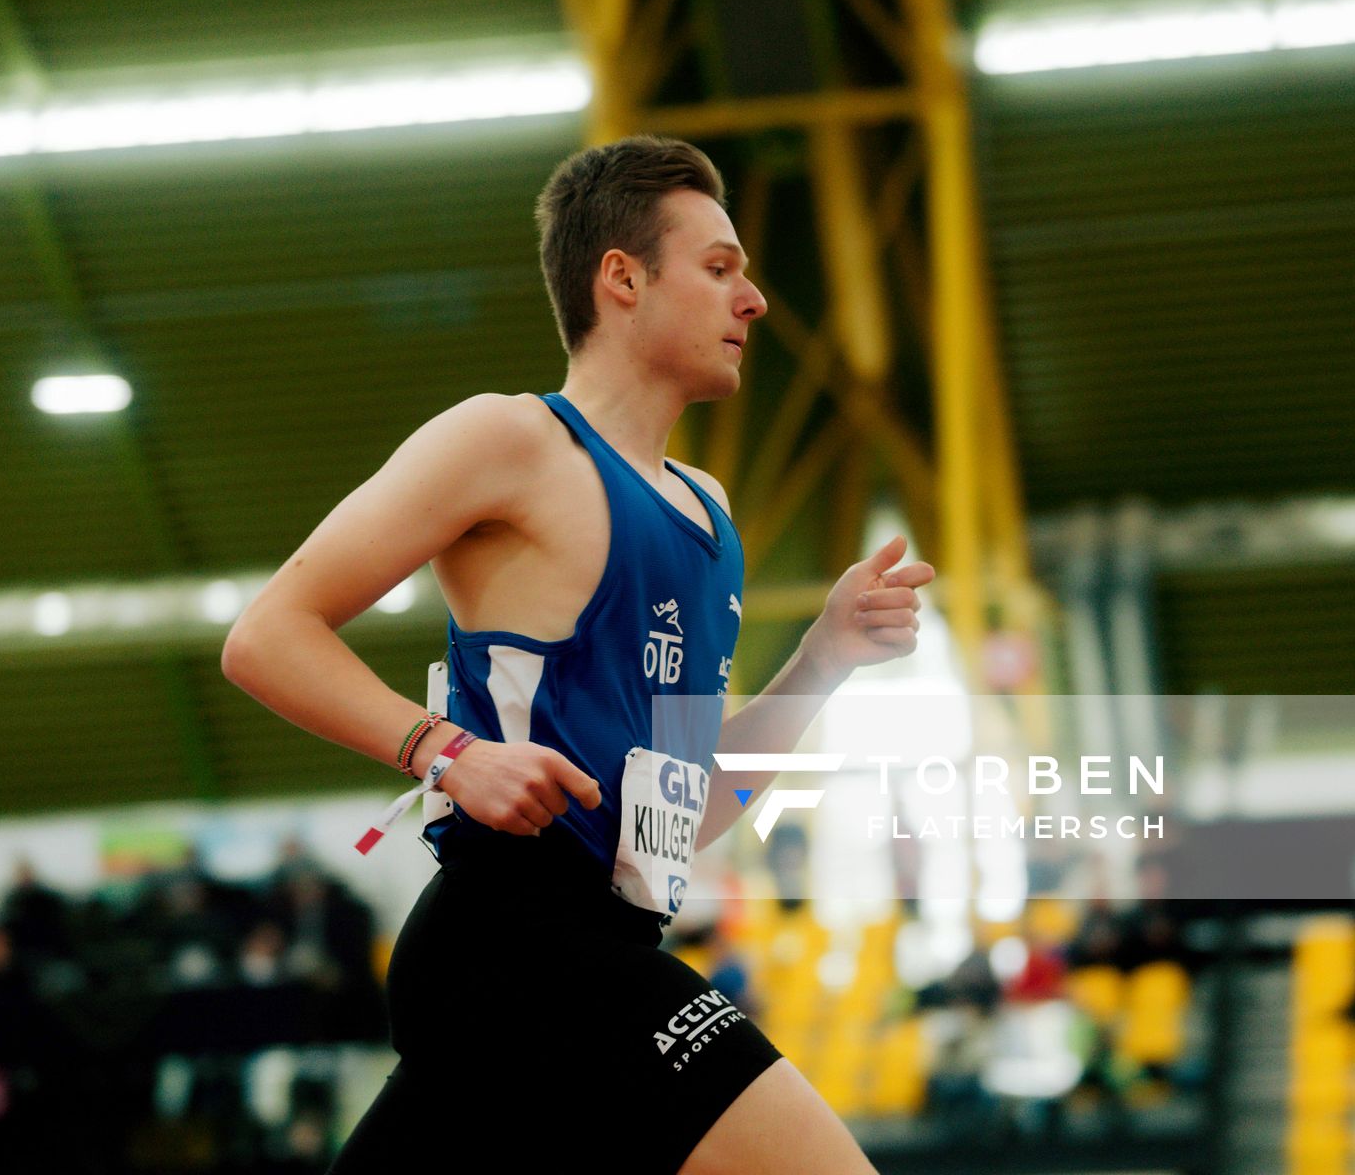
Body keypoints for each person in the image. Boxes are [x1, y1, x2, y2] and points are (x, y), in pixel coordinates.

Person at [223, 134, 934, 1174]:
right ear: (622, 279)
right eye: (721, 267)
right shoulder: (510, 442)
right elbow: (267, 635)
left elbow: (683, 817)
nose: (757, 301)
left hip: (588, 948)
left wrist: (823, 657)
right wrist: (445, 749)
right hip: (518, 945)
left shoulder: (708, 514)